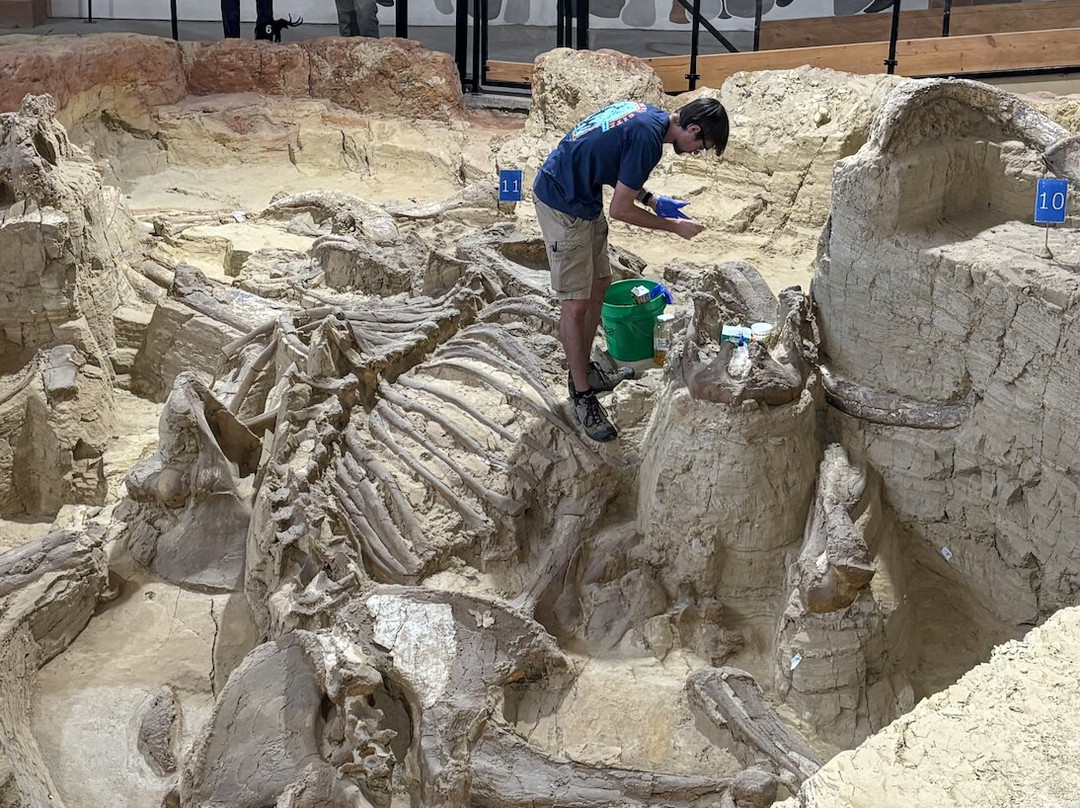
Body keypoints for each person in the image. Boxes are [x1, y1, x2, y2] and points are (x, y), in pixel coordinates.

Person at [533, 98, 729, 442]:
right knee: (575, 303)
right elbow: (621, 209)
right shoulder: (648, 140)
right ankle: (581, 394)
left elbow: (611, 159)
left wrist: (652, 199)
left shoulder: (647, 115)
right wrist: (672, 226)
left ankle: (586, 371)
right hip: (562, 201)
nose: (698, 152)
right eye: (702, 145)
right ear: (693, 129)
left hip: (583, 194)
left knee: (601, 282)